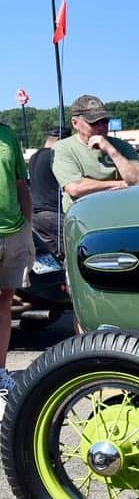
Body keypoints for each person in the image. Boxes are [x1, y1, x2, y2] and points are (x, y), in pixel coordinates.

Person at [52, 94, 139, 212]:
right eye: (93, 122)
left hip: (122, 213)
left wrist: (111, 150)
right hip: (85, 218)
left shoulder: (122, 147)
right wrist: (122, 185)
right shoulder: (63, 148)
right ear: (75, 123)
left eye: (104, 121)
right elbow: (75, 188)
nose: (101, 127)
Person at [0, 122, 34, 394]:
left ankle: (1, 371)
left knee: (5, 301)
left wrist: (27, 225)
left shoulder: (7, 134)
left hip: (14, 231)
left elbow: (20, 182)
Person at [27, 125, 69, 255]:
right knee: (72, 256)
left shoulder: (34, 156)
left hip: (35, 217)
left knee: (54, 259)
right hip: (54, 214)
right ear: (60, 140)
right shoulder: (55, 156)